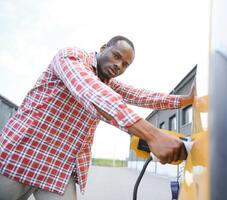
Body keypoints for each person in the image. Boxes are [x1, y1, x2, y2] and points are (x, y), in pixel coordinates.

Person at [0, 36, 198, 199]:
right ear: (104, 47)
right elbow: (92, 93)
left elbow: (142, 96)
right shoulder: (71, 57)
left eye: (125, 64)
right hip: (20, 154)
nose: (118, 65)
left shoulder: (109, 83)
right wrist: (153, 135)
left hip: (58, 168)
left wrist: (186, 100)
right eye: (116, 56)